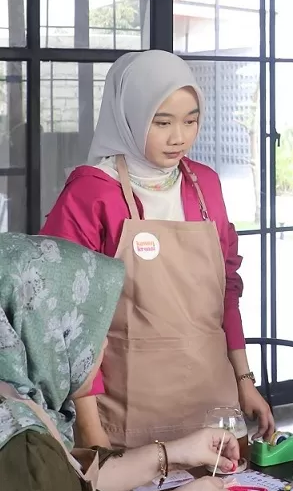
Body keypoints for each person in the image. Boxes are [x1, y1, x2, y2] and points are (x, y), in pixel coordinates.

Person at [0, 233, 238, 491]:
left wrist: (172, 453)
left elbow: (62, 488)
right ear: (49, 328)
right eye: (93, 328)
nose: (105, 345)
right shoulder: (18, 446)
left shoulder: (15, 398)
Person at [40, 50, 274, 449]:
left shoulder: (206, 186)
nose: (178, 136)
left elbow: (226, 293)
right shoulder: (92, 192)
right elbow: (65, 323)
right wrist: (90, 429)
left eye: (191, 120)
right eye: (161, 122)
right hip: (126, 413)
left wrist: (244, 380)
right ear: (129, 116)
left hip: (211, 404)